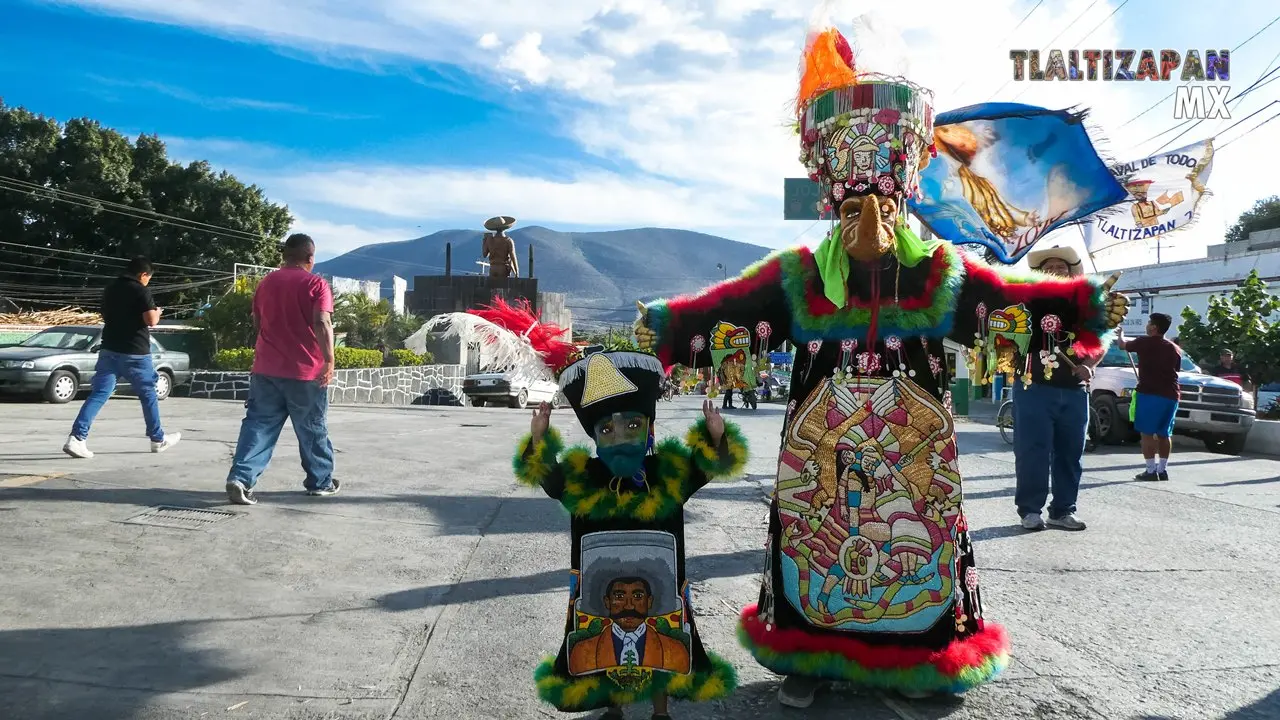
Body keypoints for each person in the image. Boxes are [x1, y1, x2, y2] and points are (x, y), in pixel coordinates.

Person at [632, 20, 1129, 706]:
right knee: (811, 537)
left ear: (901, 201)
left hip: (913, 455)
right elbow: (730, 311)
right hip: (818, 455)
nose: (870, 218)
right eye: (856, 205)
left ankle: (917, 660)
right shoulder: (800, 276)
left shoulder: (940, 274)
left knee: (916, 542)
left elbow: (1011, 301)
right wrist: (668, 323)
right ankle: (807, 658)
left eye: (883, 203)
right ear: (835, 203)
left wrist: (1081, 304)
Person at [517, 351, 742, 719]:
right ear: (594, 435)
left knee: (664, 643)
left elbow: (709, 468)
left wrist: (717, 436)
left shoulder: (668, 471)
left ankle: (660, 711)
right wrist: (539, 438)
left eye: (632, 425)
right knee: (603, 641)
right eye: (607, 429)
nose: (620, 436)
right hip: (599, 593)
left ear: (648, 427)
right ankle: (616, 708)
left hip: (662, 589)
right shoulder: (583, 475)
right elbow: (549, 479)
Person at [225, 233, 339, 505]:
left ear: (284, 255)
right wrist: (329, 358)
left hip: (266, 369)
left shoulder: (266, 283)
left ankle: (240, 479)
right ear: (310, 257)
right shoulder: (316, 284)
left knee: (258, 425)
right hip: (305, 371)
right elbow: (322, 322)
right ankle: (320, 482)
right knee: (311, 427)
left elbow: (258, 321)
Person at [1011, 245, 1101, 532]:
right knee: (1032, 451)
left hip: (1075, 390)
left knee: (1070, 453)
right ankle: (1030, 511)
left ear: (1071, 273)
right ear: (1039, 274)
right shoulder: (1025, 301)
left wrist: (1089, 364)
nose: (1056, 271)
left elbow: (1100, 340)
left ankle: (1062, 511)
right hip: (1033, 387)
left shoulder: (1085, 306)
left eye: (1061, 267)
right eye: (1049, 267)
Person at [63, 256, 181, 458]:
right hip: (135, 352)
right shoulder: (140, 290)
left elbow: (106, 315)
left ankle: (77, 438)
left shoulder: (111, 288)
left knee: (99, 394)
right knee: (148, 394)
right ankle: (157, 439)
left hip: (109, 348)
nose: (147, 282)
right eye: (148, 278)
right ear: (143, 274)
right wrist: (158, 312)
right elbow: (151, 320)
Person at [1119, 314, 1181, 482]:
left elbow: (1122, 345)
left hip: (1149, 393)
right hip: (1171, 395)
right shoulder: (1174, 348)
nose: (1147, 326)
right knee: (1164, 433)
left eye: (1149, 323)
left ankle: (1150, 470)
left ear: (1154, 327)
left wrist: (1119, 335)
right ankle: (1162, 469)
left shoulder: (1143, 342)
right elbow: (1176, 369)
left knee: (1147, 433)